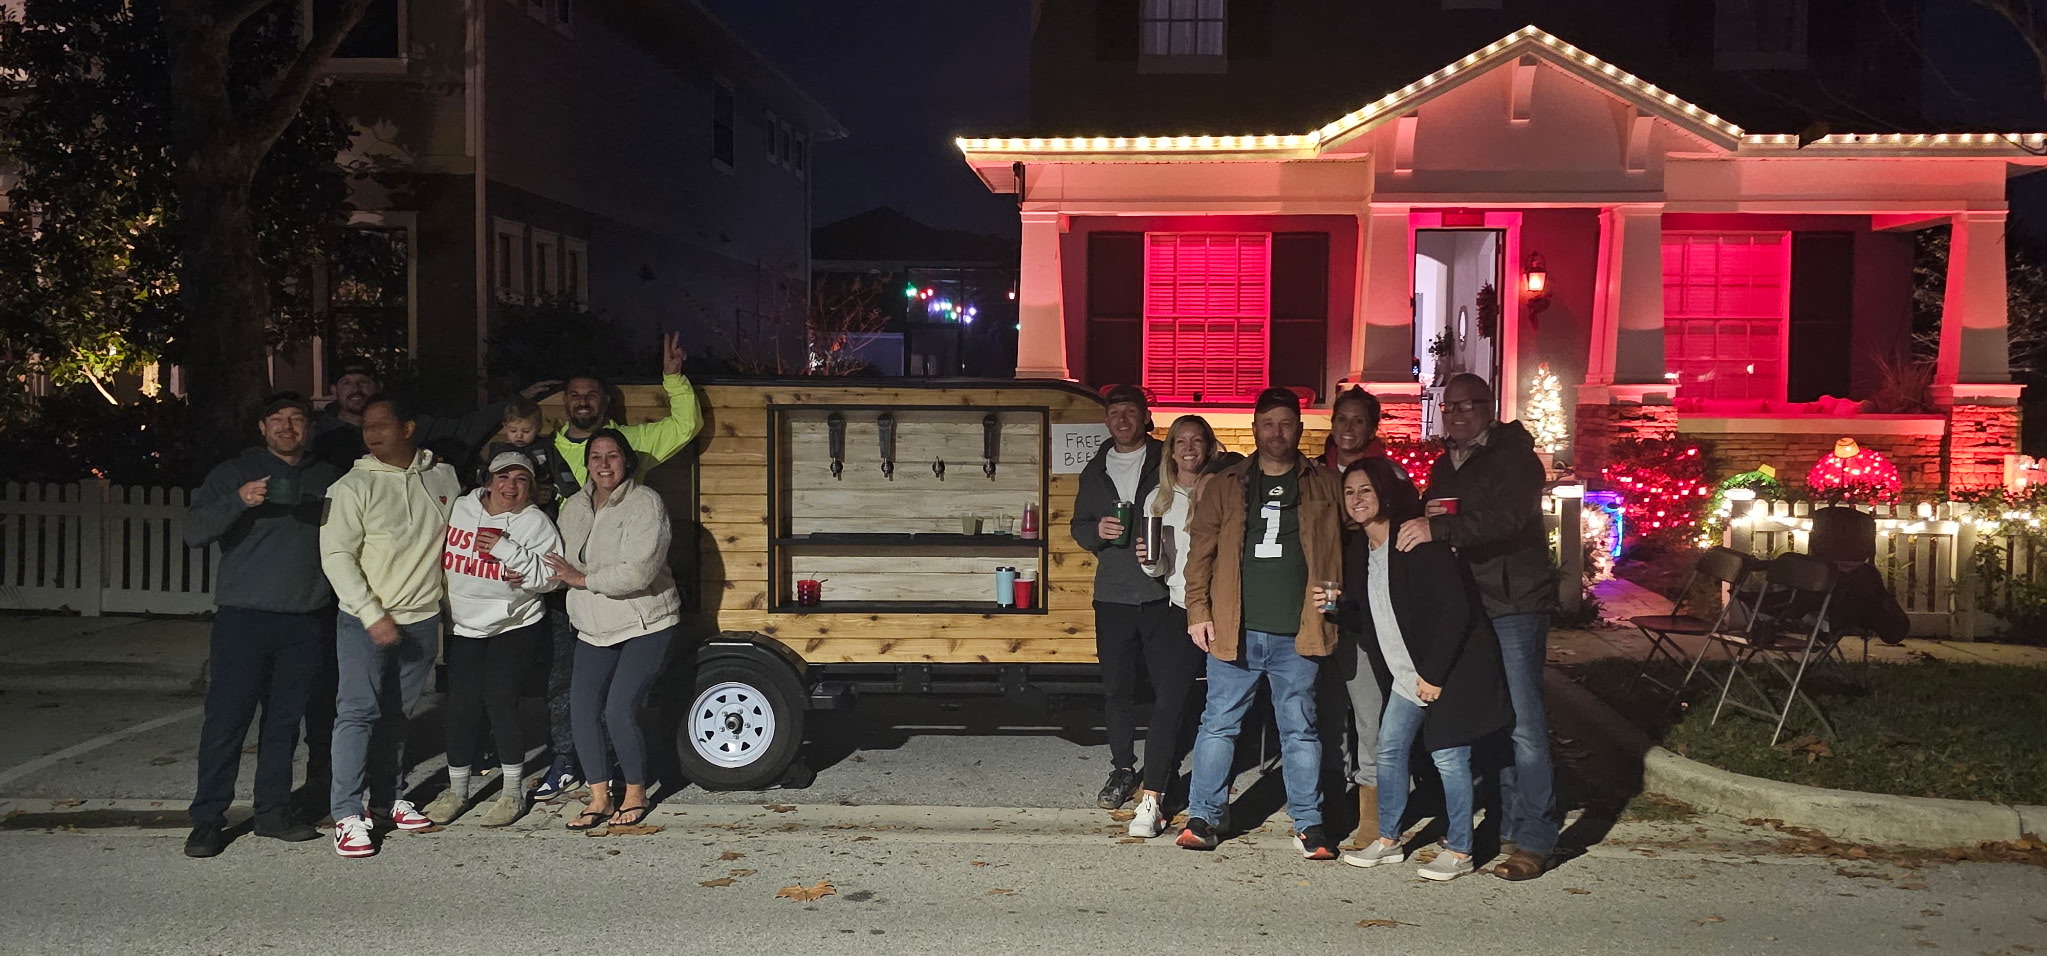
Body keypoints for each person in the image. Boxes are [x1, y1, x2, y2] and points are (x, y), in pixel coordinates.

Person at [1396, 372, 1559, 881]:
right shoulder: (1447, 463)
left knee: (1525, 725)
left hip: (1513, 602)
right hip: (1470, 606)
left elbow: (1508, 519)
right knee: (1492, 718)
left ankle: (1536, 838)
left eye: (1469, 404)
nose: (1459, 413)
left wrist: (1439, 527)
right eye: (1450, 406)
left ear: (1490, 407)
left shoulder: (1515, 459)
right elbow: (1437, 517)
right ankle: (1506, 824)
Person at [531, 333, 700, 802]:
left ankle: (630, 784)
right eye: (574, 394)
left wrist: (673, 378)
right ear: (564, 402)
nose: (583, 401)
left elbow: (685, 425)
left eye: (591, 394)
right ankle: (575, 768)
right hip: (576, 591)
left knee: (617, 705)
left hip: (625, 595)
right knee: (568, 691)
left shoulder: (637, 452)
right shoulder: (542, 452)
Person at [1180, 387, 1345, 859]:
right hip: (1235, 630)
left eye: (1286, 423)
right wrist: (1198, 611)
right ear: (1255, 428)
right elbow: (1200, 554)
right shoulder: (1226, 484)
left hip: (1300, 632)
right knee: (1219, 725)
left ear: (1299, 429)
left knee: (1301, 730)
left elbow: (1351, 545)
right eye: (1268, 423)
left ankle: (1310, 824)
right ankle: (1204, 817)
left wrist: (1339, 597)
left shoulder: (1326, 483)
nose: (1277, 432)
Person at [1332, 459, 1512, 882]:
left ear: (1384, 494)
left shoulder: (1415, 541)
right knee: (1390, 750)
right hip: (1407, 674)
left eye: (1365, 490)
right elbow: (1371, 617)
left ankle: (1461, 849)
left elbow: (1456, 610)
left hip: (1448, 669)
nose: (1357, 499)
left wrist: (1433, 675)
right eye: (1349, 492)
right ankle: (1389, 840)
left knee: (1449, 756)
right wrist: (1336, 608)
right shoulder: (1361, 550)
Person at [181, 393, 342, 858]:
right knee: (226, 722)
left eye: (297, 419)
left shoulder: (329, 477)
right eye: (277, 419)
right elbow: (194, 532)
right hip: (243, 618)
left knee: (283, 724)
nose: (287, 427)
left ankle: (272, 812)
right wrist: (239, 499)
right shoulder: (234, 472)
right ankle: (208, 820)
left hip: (305, 619)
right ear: (262, 427)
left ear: (309, 427)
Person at [319, 397, 462, 858]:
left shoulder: (443, 477)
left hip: (421, 618)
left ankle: (387, 799)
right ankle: (346, 814)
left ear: (408, 427)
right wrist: (370, 613)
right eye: (367, 426)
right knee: (357, 713)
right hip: (365, 622)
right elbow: (336, 556)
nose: (372, 433)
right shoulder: (351, 486)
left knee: (398, 715)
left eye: (382, 424)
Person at [545, 430, 681, 831]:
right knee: (582, 709)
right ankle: (599, 797)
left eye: (613, 456)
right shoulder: (574, 506)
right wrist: (530, 576)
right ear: (587, 464)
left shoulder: (645, 503)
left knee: (618, 708)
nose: (604, 465)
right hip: (594, 624)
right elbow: (559, 565)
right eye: (596, 457)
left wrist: (581, 579)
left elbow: (639, 572)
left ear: (627, 461)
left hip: (645, 621)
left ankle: (635, 792)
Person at [424, 453, 564, 827]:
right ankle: (457, 791)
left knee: (501, 702)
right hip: (462, 626)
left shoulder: (536, 523)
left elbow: (551, 579)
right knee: (461, 706)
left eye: (521, 480)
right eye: (503, 477)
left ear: (531, 487)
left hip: (513, 626)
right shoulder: (461, 508)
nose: (511, 486)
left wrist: (509, 551)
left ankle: (512, 793)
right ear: (488, 480)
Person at [1068, 384, 1170, 812]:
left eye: (1131, 412)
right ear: (1106, 420)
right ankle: (1123, 768)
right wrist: (1096, 532)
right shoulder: (1094, 469)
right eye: (1115, 413)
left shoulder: (1167, 458)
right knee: (1117, 689)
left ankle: (1161, 771)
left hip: (1163, 593)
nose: (1123, 420)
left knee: (1168, 690)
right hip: (1112, 594)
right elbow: (1078, 525)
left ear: (1145, 417)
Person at [1125, 414, 1225, 838]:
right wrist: (1149, 562)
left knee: (1221, 709)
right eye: (1180, 441)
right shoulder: (1158, 499)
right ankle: (1152, 798)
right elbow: (1160, 568)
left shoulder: (1225, 489)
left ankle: (1210, 799)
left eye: (1196, 441)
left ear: (1209, 447)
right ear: (1170, 451)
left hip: (1226, 609)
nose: (1188, 448)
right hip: (1181, 607)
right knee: (1169, 703)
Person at [308, 356, 558, 473]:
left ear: (378, 386)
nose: (355, 389)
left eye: (363, 382)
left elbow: (464, 428)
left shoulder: (407, 426)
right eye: (346, 383)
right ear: (334, 390)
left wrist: (517, 401)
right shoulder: (317, 431)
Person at [483, 399, 559, 507]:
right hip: (508, 497)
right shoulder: (499, 451)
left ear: (538, 428)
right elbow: (486, 477)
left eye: (526, 431)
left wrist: (561, 491)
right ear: (505, 427)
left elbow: (560, 471)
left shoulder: (546, 447)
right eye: (513, 431)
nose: (519, 435)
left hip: (542, 501)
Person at [1319, 386, 1396, 471]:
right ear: (1333, 425)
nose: (1348, 427)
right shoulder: (1315, 470)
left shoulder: (1388, 473)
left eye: (1358, 421)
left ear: (1372, 431)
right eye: (1342, 419)